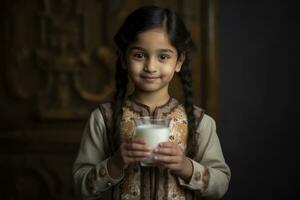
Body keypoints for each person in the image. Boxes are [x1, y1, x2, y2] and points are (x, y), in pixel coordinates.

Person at [73, 5, 230, 200]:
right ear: (123, 59)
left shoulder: (199, 121)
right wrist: (115, 164)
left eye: (163, 57)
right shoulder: (104, 118)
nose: (150, 67)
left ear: (179, 61)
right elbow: (80, 185)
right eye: (139, 55)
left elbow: (221, 184)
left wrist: (186, 167)